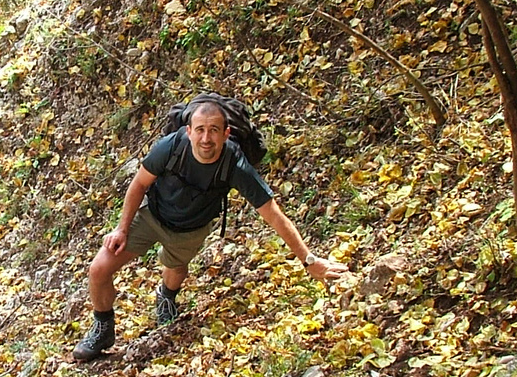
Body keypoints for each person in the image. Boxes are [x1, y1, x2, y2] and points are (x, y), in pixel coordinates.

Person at [71, 96, 348, 361]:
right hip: (152, 215)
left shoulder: (234, 163)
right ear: (189, 131)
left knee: (175, 269)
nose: (206, 138)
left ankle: (166, 297)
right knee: (99, 269)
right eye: (200, 130)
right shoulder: (170, 147)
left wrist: (309, 261)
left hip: (191, 229)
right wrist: (121, 229)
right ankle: (103, 329)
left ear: (226, 133)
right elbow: (139, 184)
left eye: (214, 130)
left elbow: (273, 215)